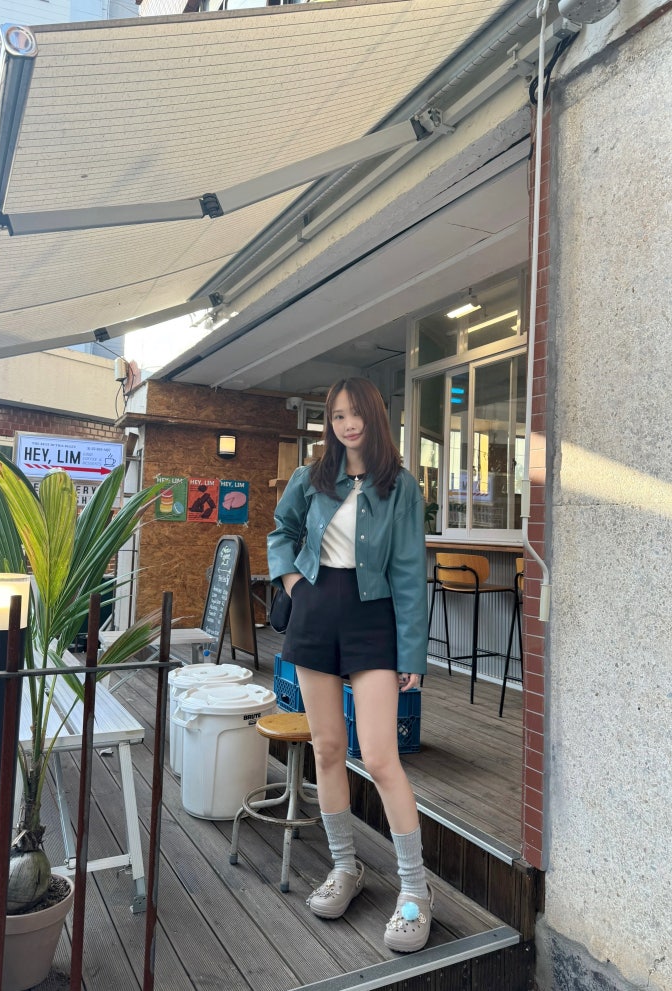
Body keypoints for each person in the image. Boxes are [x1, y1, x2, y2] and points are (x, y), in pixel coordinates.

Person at [267, 377, 431, 953]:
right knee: (328, 748)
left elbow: (409, 572)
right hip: (315, 615)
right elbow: (281, 532)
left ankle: (415, 890)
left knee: (381, 757)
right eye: (337, 416)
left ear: (373, 416)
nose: (347, 424)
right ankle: (345, 867)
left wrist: (412, 653)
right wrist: (294, 584)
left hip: (373, 620)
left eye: (355, 413)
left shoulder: (401, 487)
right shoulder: (310, 478)